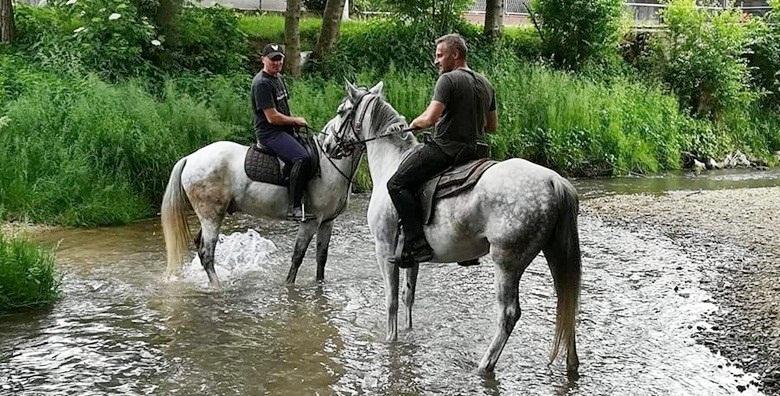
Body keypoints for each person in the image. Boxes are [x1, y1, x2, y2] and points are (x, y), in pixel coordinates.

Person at [387, 33, 499, 263]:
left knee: (397, 183)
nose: (436, 61)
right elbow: (492, 127)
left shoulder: (447, 80)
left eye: (439, 55)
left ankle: (416, 244)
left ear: (455, 54)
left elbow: (429, 119)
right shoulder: (486, 84)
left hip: (447, 150)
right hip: (477, 153)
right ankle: (468, 252)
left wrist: (411, 126)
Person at [251, 43, 315, 222]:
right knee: (302, 158)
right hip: (269, 133)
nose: (277, 63)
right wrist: (295, 121)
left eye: (279, 59)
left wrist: (293, 123)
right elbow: (272, 117)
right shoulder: (262, 84)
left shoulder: (278, 78)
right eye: (273, 59)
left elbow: (283, 109)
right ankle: (294, 207)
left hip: (283, 130)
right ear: (263, 60)